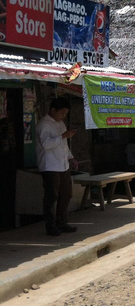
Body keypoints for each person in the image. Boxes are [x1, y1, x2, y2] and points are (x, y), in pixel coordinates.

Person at [36, 97, 78, 236]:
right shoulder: (44, 124)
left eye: (65, 114)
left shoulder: (61, 124)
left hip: (63, 164)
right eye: (62, 113)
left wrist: (71, 157)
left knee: (66, 194)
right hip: (50, 165)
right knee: (51, 196)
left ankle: (62, 222)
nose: (63, 116)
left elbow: (64, 145)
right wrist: (63, 136)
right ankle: (51, 225)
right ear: (53, 110)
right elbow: (46, 144)